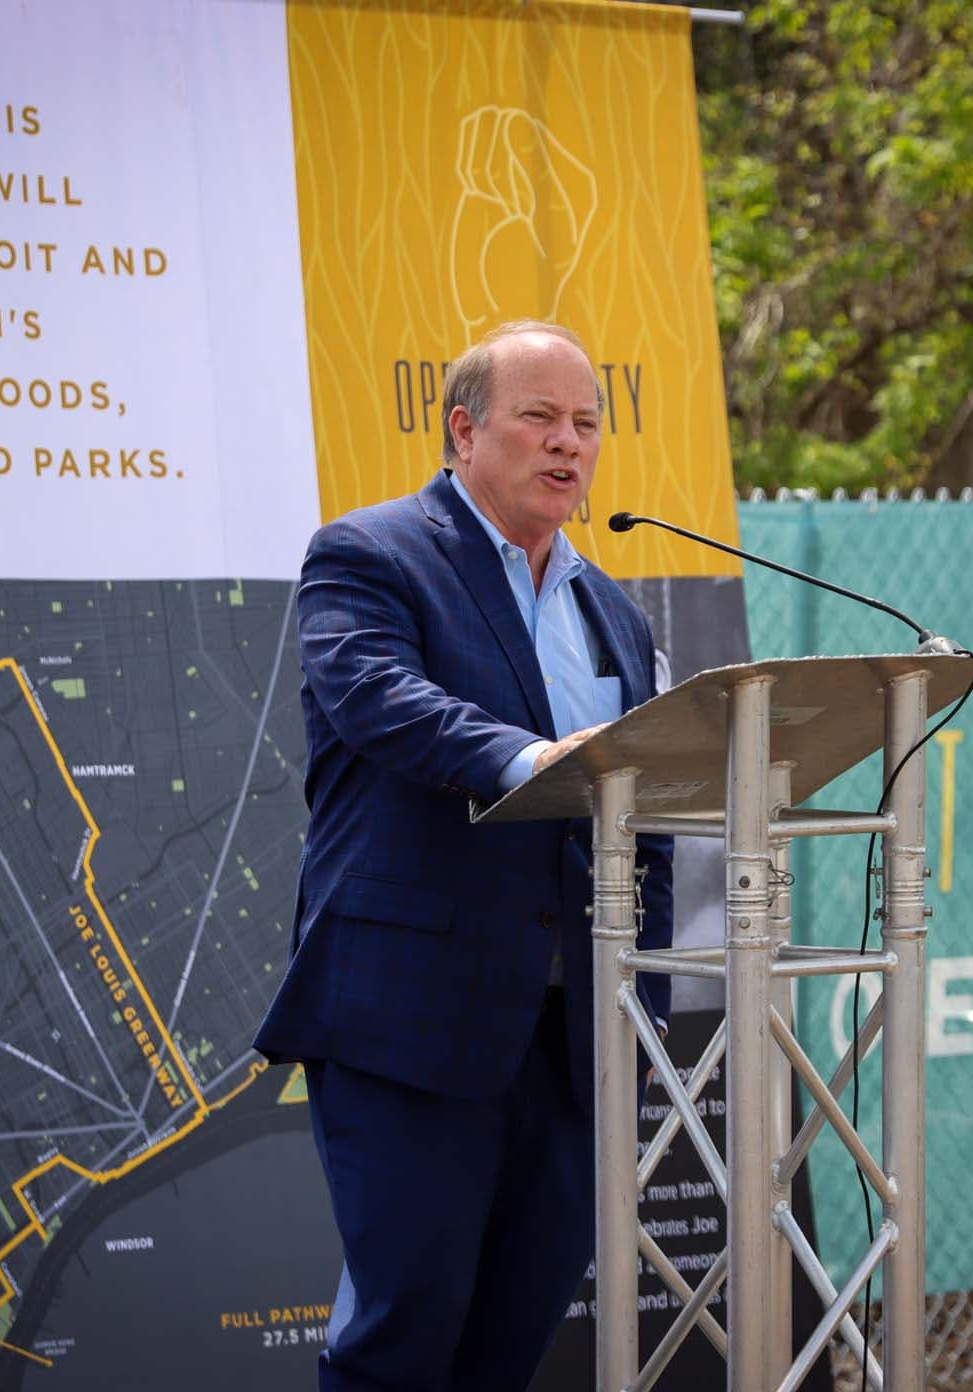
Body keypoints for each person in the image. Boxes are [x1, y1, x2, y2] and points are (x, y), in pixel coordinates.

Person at [253, 320, 673, 1390]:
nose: (567, 444)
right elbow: (380, 702)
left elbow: (648, 805)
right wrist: (535, 757)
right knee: (403, 1333)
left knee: (511, 1334)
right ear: (462, 429)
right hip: (414, 1018)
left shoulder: (612, 612)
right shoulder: (371, 554)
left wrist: (644, 988)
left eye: (585, 423)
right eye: (538, 417)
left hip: (571, 1033)